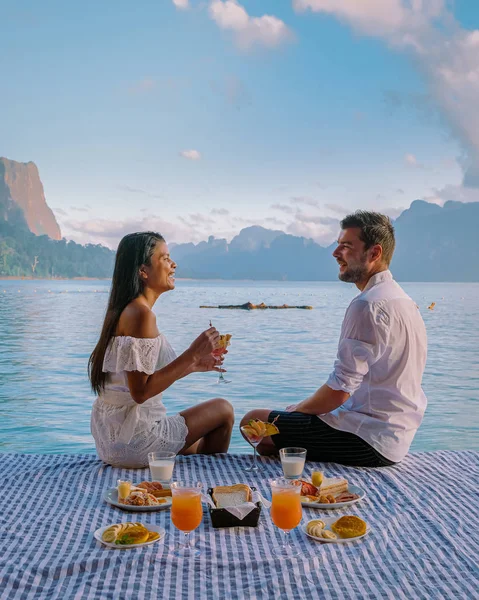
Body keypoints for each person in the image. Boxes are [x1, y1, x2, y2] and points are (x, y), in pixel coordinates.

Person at [241, 211, 427, 467]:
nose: (335, 252)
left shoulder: (367, 305)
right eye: (338, 244)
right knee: (273, 434)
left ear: (374, 253)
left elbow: (340, 390)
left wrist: (294, 413)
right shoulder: (404, 301)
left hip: (369, 439)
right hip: (398, 435)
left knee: (253, 422)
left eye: (346, 246)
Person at [89, 231, 234, 468]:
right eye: (165, 258)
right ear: (143, 271)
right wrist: (192, 354)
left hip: (111, 439)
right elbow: (141, 393)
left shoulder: (125, 310)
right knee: (223, 410)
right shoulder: (141, 315)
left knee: (196, 447)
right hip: (133, 440)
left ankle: (199, 472)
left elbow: (136, 382)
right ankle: (212, 477)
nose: (173, 264)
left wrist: (195, 364)